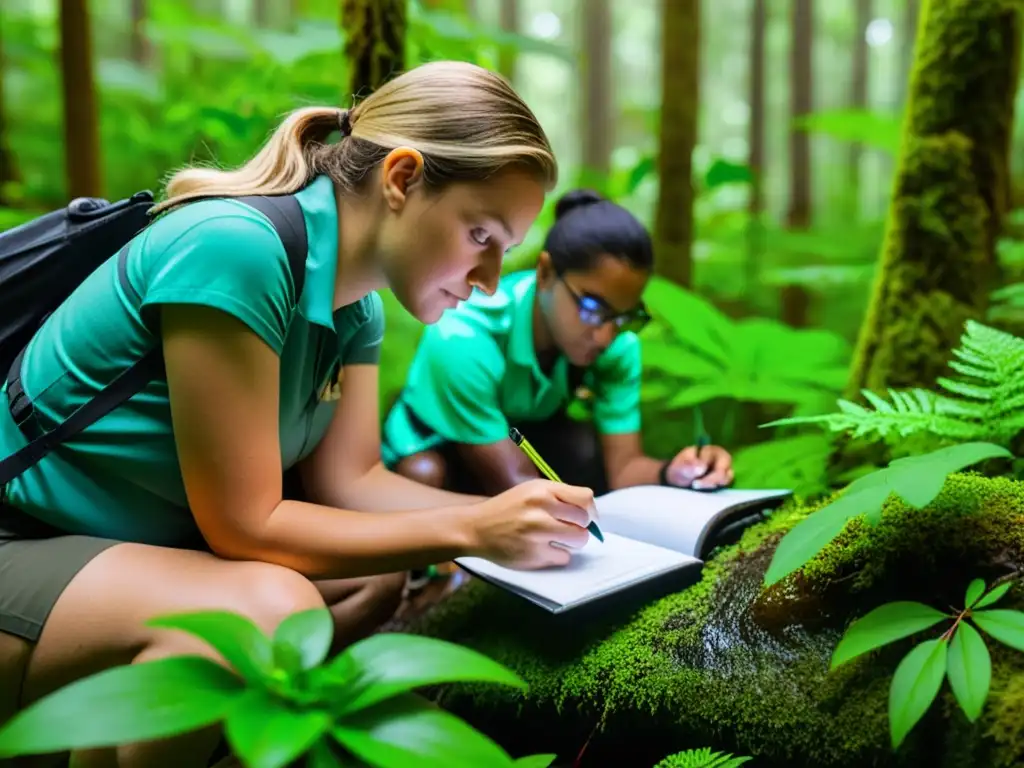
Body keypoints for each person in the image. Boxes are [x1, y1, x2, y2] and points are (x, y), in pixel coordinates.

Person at [0, 61, 599, 767]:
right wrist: (472, 528)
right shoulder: (237, 249)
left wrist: (515, 515)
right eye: (481, 236)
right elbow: (243, 523)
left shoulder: (356, 309)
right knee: (268, 608)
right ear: (402, 179)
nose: (493, 279)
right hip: (23, 543)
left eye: (508, 251)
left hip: (118, 556)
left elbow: (354, 482)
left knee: (370, 577)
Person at [381, 189, 735, 499]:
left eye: (626, 317)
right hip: (437, 446)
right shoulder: (462, 336)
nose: (606, 335)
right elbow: (515, 482)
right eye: (594, 308)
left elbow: (625, 470)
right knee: (425, 473)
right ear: (546, 272)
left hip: (517, 439)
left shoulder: (617, 347)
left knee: (579, 451)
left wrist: (674, 472)